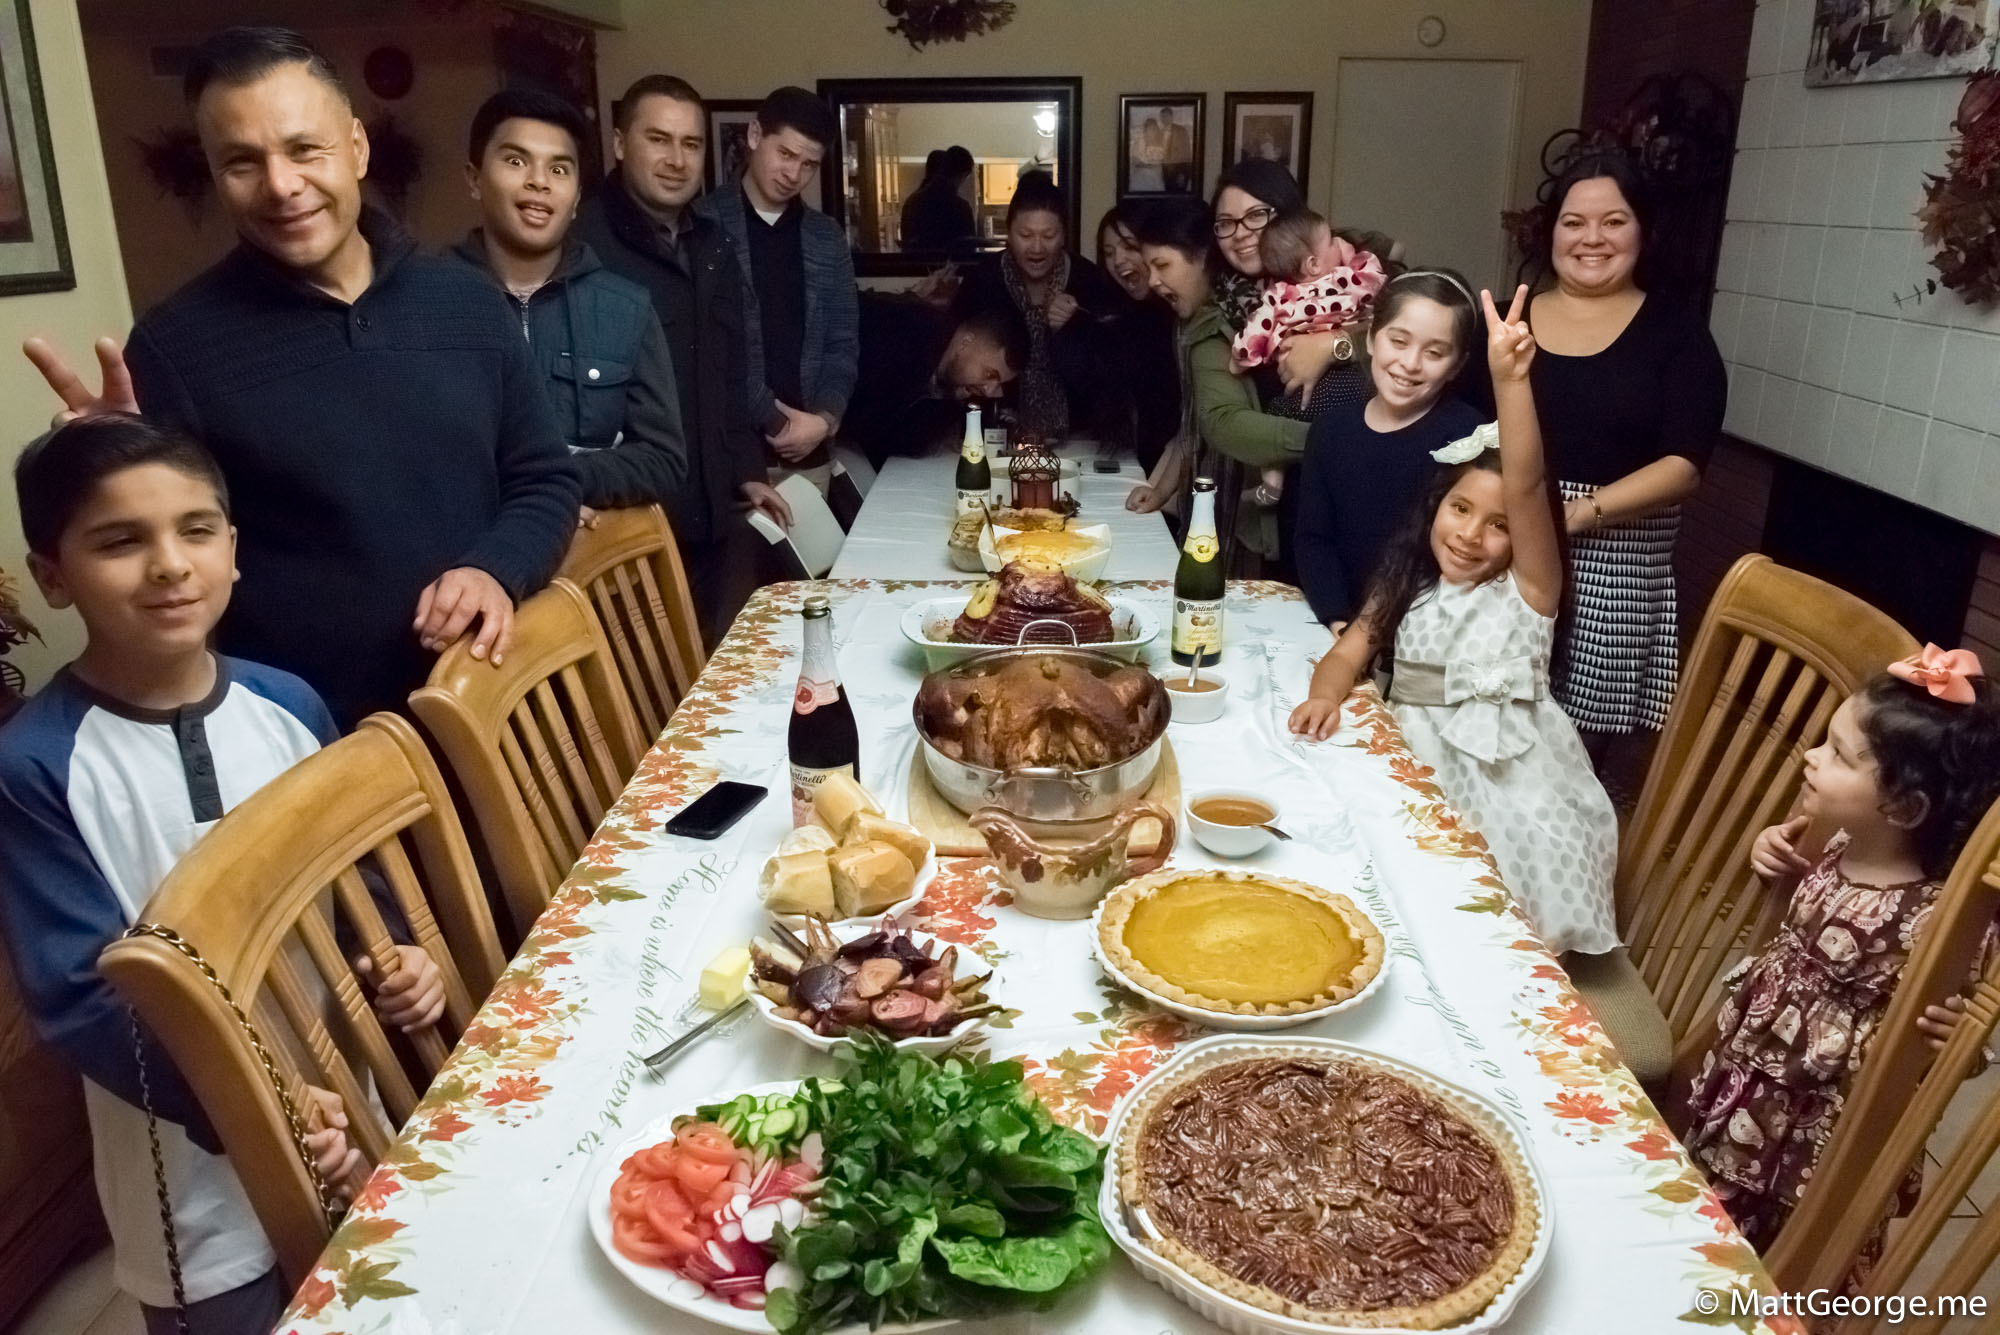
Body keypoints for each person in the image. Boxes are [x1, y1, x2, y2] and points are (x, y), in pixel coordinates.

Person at [0, 416, 446, 1335]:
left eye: (195, 530)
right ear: (52, 574)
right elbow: (84, 996)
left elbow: (356, 867)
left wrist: (402, 952)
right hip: (189, 1161)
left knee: (380, 1295)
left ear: (233, 550)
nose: (169, 564)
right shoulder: (35, 765)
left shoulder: (287, 701)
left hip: (345, 1098)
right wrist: (258, 1103)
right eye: (120, 540)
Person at [23, 28, 578, 728]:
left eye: (303, 149)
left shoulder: (466, 302)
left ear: (356, 147)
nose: (281, 185)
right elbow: (159, 560)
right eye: (241, 162)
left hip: (501, 700)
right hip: (316, 740)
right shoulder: (176, 347)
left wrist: (496, 568)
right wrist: (100, 467)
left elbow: (545, 477)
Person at [1290, 287, 1622, 969]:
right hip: (1419, 767)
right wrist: (1326, 693)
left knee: (1498, 928)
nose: (1472, 535)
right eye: (1460, 509)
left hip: (1516, 789)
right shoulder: (1406, 579)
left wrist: (1510, 380)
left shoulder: (1530, 591)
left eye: (1499, 526)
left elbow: (1526, 484)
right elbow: (1351, 647)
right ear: (1435, 504)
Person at [1682, 648, 2000, 1256]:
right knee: (1718, 1191)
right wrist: (1769, 854)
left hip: (1816, 1125)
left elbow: (1960, 1030)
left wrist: (1959, 1037)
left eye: (1837, 755)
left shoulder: (1938, 920)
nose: (1810, 757)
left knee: (1783, 1238)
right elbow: (1796, 906)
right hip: (1756, 1075)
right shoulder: (1838, 838)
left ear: (1904, 808)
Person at [1462, 149, 1726, 771]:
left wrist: (1581, 512)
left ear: (1644, 231)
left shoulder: (1677, 332)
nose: (1592, 238)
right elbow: (1458, 426)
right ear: (1550, 231)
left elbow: (1685, 463)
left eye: (1614, 221)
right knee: (1483, 726)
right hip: (1500, 547)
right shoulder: (1508, 321)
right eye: (1574, 222)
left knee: (1569, 760)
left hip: (1616, 564)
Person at [572, 74, 791, 647]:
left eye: (690, 144)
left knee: (711, 675)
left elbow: (731, 365)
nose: (676, 160)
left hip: (714, 513)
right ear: (620, 143)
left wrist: (748, 468)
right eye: (658, 140)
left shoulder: (712, 241)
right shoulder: (581, 245)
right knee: (646, 697)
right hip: (628, 523)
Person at [451, 87, 687, 522]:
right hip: (461, 569)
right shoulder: (425, 302)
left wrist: (557, 482)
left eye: (559, 169)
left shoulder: (625, 308)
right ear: (474, 178)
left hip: (596, 575)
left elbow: (664, 460)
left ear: (577, 198)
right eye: (516, 161)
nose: (539, 181)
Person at [1293, 270, 1483, 627]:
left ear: (1457, 365)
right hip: (1340, 626)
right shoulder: (1332, 429)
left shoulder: (1468, 436)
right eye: (1398, 341)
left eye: (1434, 352)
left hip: (1429, 635)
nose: (1410, 363)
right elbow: (1313, 540)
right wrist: (1337, 620)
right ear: (1371, 338)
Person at [695, 85, 858, 493]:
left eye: (809, 165)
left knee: (820, 560)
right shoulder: (702, 224)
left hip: (812, 453)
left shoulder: (826, 237)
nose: (793, 174)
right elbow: (710, 349)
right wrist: (776, 419)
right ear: (754, 136)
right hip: (730, 455)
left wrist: (823, 420)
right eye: (785, 154)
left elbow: (843, 342)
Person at [1126, 195, 1305, 543]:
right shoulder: (1186, 323)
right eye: (1148, 269)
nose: (1152, 282)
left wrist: (1332, 440)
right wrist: (1162, 490)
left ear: (1203, 257)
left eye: (1162, 266)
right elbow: (1193, 420)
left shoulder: (1250, 313)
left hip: (1259, 503)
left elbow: (1220, 421)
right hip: (1212, 496)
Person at [951, 172, 1118, 442]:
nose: (1037, 247)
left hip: (1081, 436)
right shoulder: (984, 280)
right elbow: (956, 361)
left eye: (1049, 235)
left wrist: (1076, 326)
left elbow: (1110, 370)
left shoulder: (1087, 279)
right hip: (995, 434)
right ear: (1009, 234)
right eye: (1026, 235)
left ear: (1064, 235)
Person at [842, 300, 1026, 466]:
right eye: (989, 374)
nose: (990, 391)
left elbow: (914, 445)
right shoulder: (906, 338)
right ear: (965, 343)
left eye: (1000, 384)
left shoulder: (946, 376)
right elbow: (878, 434)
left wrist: (950, 400)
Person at [1096, 205, 1181, 476]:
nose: (1118, 260)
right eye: (1109, 253)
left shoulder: (1181, 311)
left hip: (1181, 465)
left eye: (1130, 247)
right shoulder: (1119, 315)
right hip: (1144, 462)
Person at [900, 145, 976, 253]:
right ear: (963, 174)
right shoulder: (960, 207)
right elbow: (969, 248)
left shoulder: (912, 202)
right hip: (950, 267)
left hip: (916, 267)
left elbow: (907, 243)